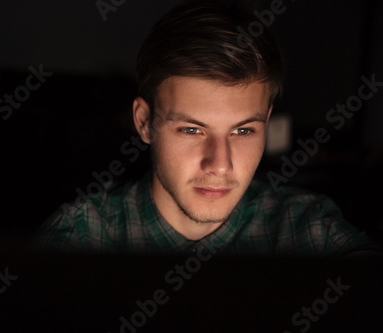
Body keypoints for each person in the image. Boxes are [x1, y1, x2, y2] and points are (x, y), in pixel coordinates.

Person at [32, 1, 380, 256]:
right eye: (192, 130)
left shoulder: (305, 229)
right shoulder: (82, 238)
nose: (220, 164)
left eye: (243, 131)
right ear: (144, 123)